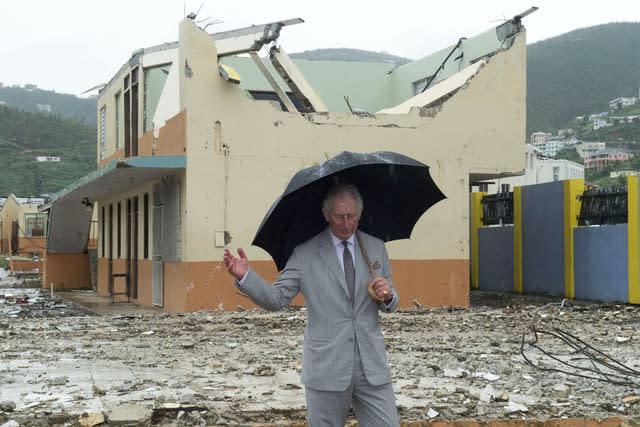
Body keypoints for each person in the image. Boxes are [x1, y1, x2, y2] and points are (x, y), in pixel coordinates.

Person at [223, 183, 400, 427]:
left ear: (360, 214)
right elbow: (277, 299)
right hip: (327, 368)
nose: (347, 223)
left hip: (372, 367)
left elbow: (390, 300)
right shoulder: (304, 254)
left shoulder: (375, 247)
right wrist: (246, 277)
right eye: (340, 216)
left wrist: (388, 295)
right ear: (326, 214)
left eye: (352, 216)